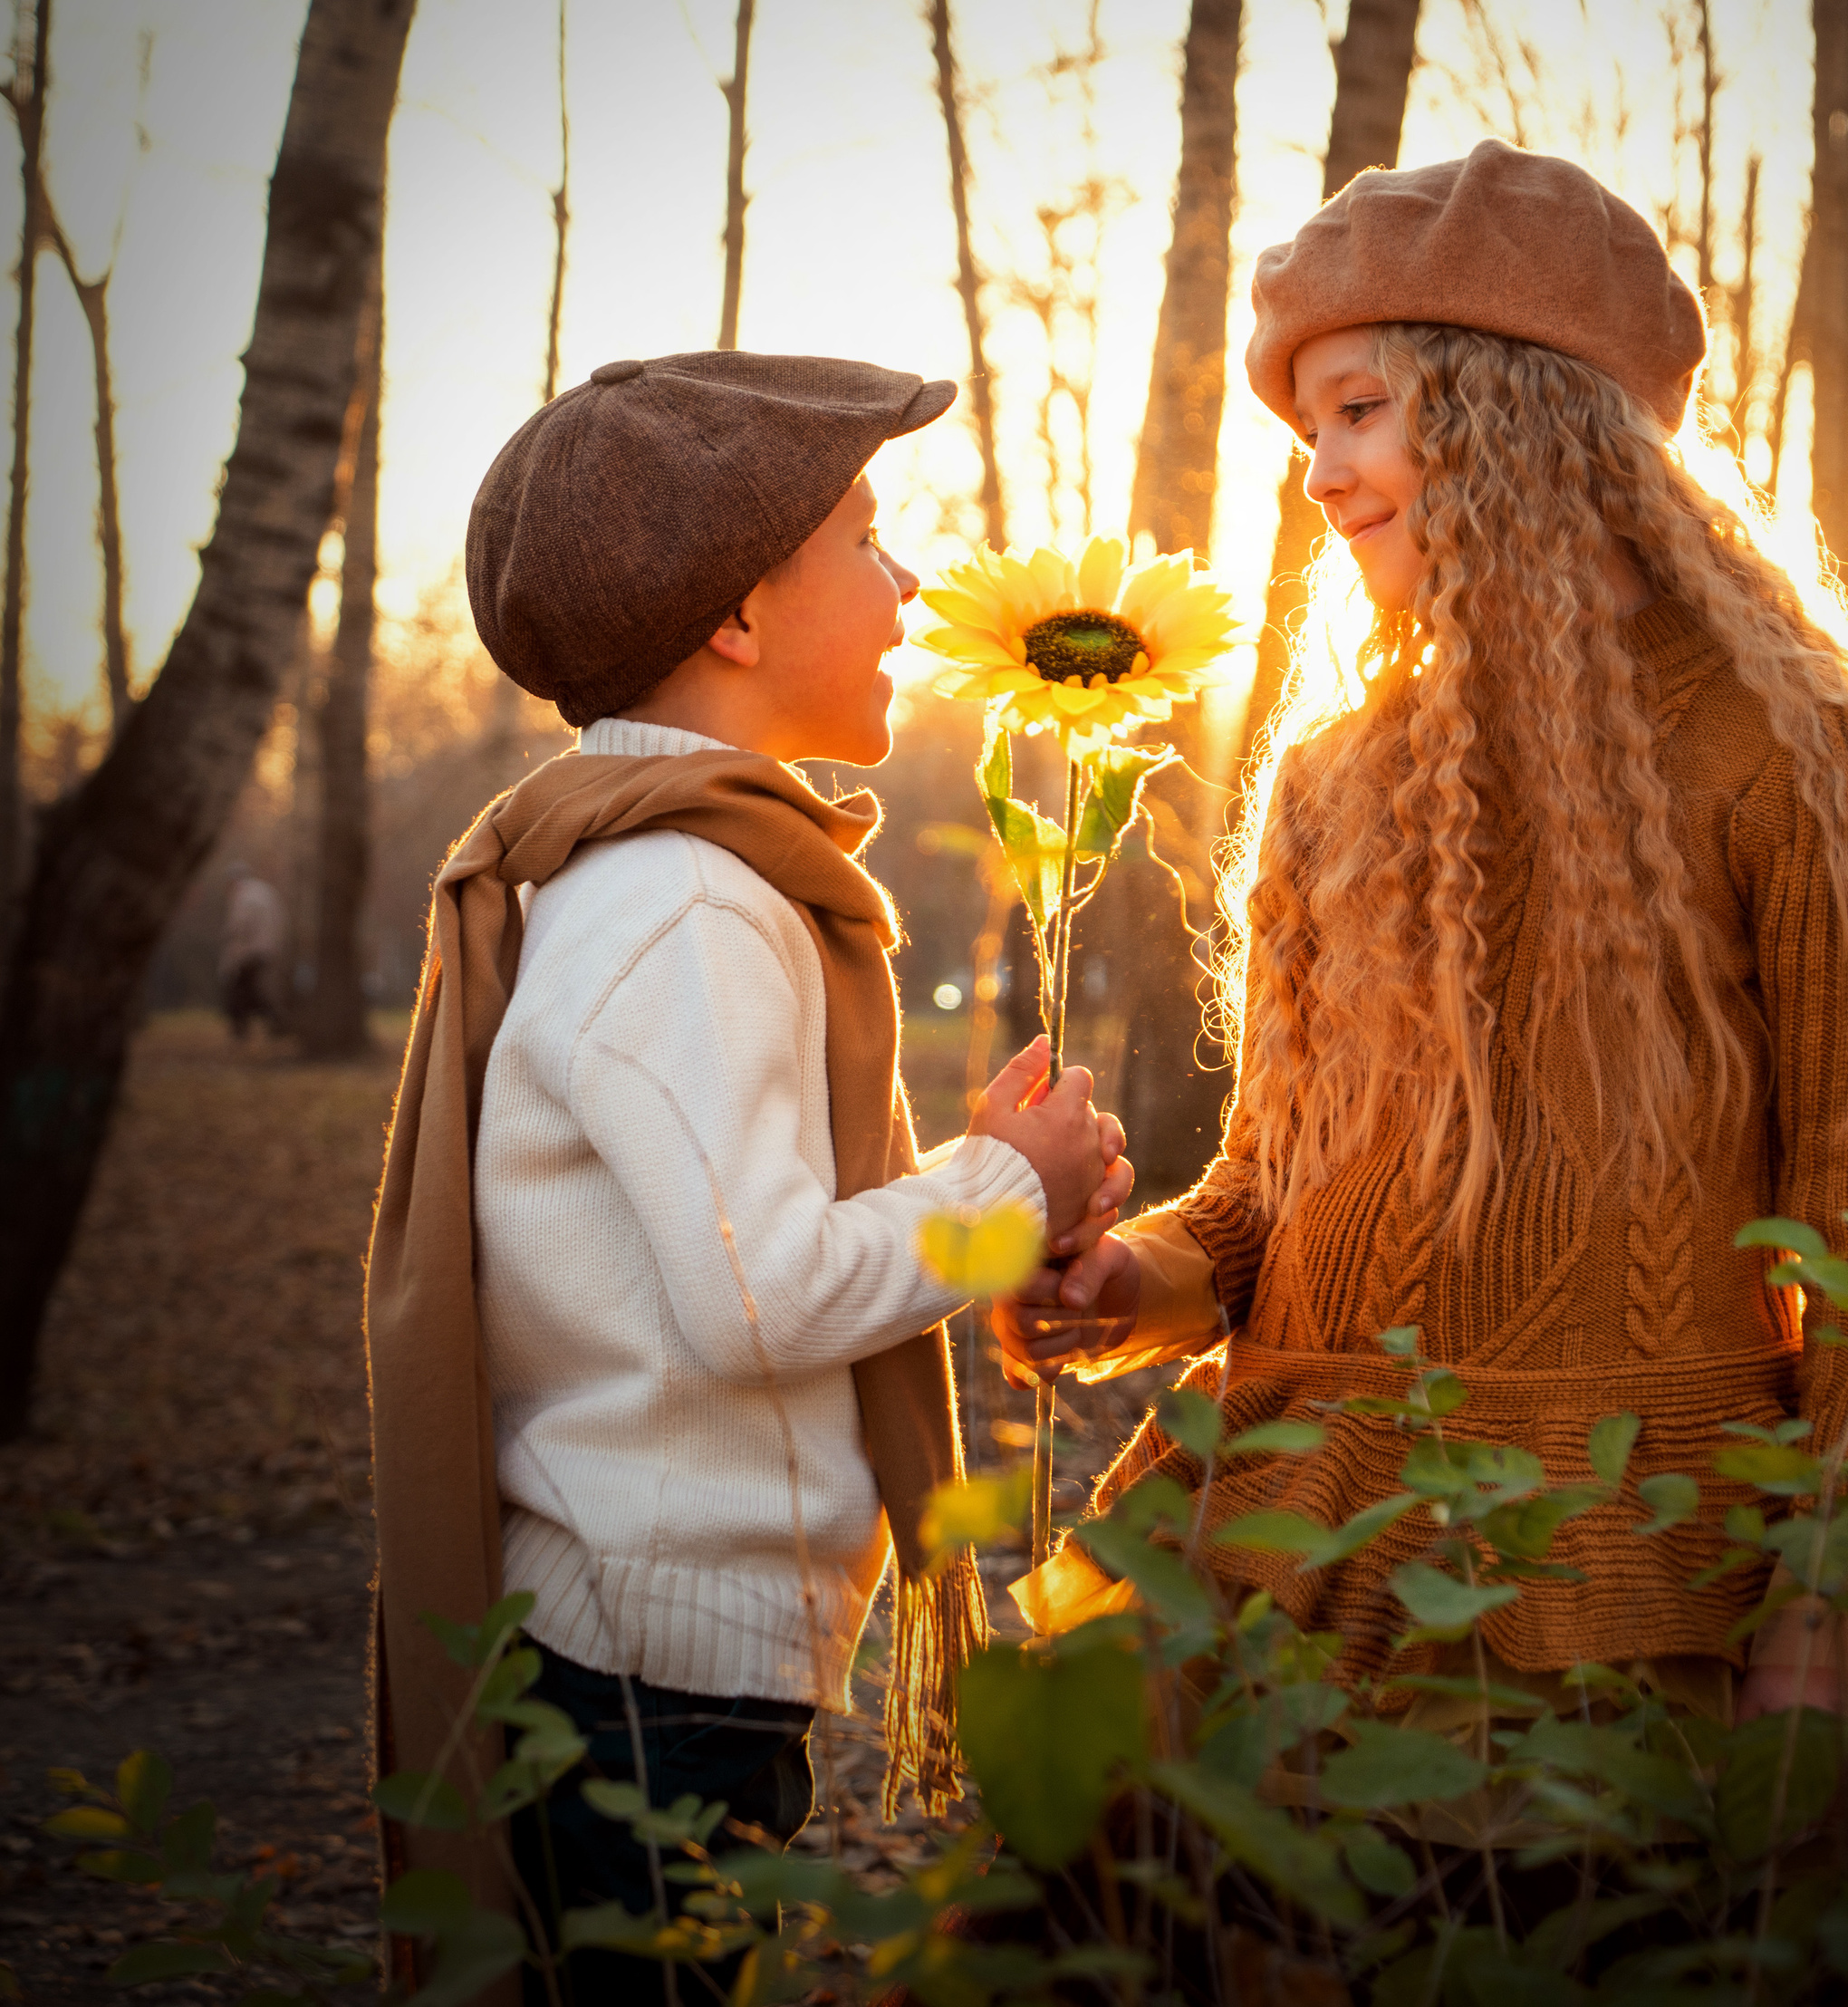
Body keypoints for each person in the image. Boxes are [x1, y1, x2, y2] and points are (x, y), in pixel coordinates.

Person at [1000, 144, 1848, 1779]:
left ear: (1522, 409)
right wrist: (1119, 1283)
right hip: (1288, 1550)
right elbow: (1266, 1197)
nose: (1319, 477)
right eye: (1308, 432)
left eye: (1360, 410)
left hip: (1622, 1560)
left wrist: (1833, 1589)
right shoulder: (1333, 779)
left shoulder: (1784, 746)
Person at [363, 352, 1130, 2004]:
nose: (910, 576)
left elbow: (724, 1224)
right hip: (653, 1677)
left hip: (649, 1651)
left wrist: (987, 1169)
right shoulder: (689, 907)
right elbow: (760, 1289)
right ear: (736, 617)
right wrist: (1009, 1183)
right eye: (867, 533)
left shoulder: (669, 878)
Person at [217, 862, 285, 1040]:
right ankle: (275, 1025)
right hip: (267, 950)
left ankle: (244, 1030)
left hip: (249, 952)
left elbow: (239, 927)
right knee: (255, 990)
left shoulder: (244, 896)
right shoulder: (266, 891)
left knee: (242, 992)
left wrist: (231, 946)